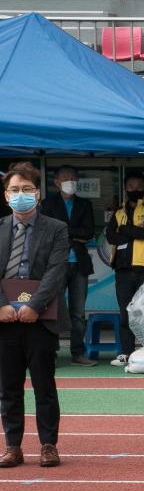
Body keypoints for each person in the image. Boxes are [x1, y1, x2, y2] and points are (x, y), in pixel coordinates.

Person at [0, 163, 69, 468]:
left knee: (44, 384)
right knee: (8, 386)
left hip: (40, 318)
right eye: (15, 190)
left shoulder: (56, 228)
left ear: (38, 193)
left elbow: (56, 273)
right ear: (5, 195)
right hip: (3, 321)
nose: (21, 195)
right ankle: (13, 446)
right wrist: (1, 305)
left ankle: (48, 445)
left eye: (27, 189)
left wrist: (34, 306)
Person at [40, 165, 95, 366]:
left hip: (79, 263)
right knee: (52, 308)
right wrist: (74, 234)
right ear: (56, 182)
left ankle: (78, 353)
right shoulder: (48, 204)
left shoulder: (84, 204)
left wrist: (64, 231)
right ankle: (51, 352)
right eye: (66, 178)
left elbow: (88, 232)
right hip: (55, 264)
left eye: (73, 177)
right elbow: (47, 232)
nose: (70, 181)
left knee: (78, 312)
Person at [104, 172, 144, 366]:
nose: (135, 189)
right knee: (126, 311)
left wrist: (124, 230)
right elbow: (110, 236)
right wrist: (131, 232)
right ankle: (126, 352)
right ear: (125, 189)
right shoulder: (119, 212)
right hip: (123, 268)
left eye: (139, 186)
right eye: (131, 186)